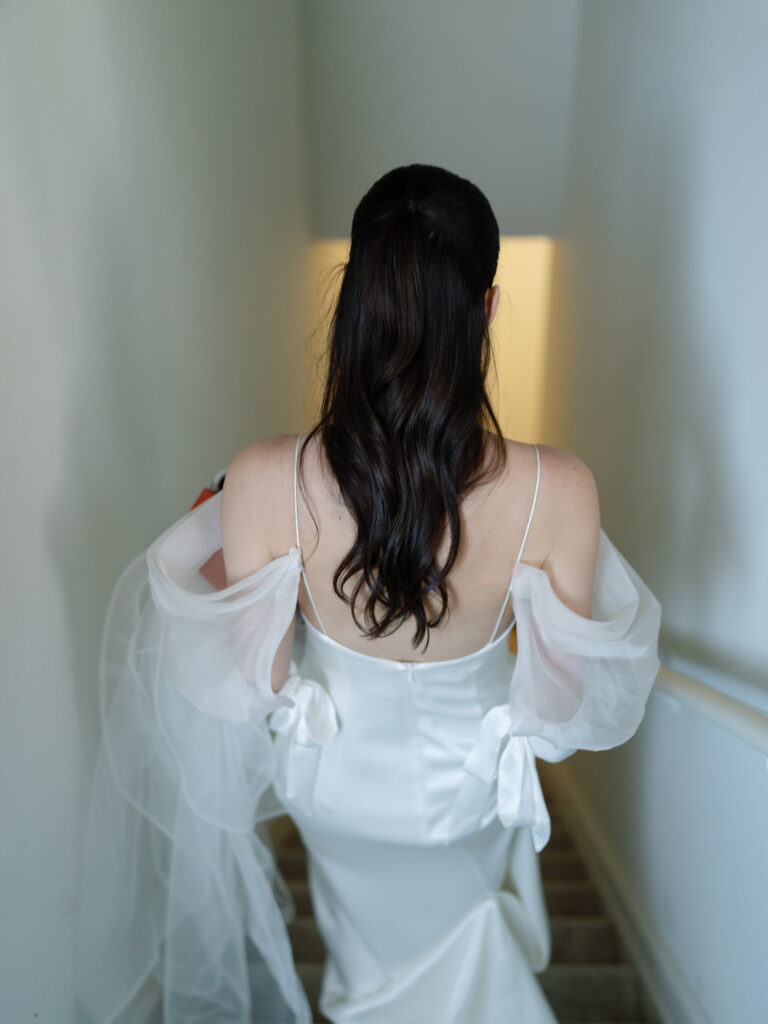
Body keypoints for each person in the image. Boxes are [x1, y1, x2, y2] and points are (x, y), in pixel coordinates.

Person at [74, 164, 662, 1024]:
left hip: (337, 790)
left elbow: (256, 683)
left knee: (362, 976)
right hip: (467, 799)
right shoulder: (559, 490)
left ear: (354, 295)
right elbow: (566, 703)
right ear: (487, 309)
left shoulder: (263, 477)